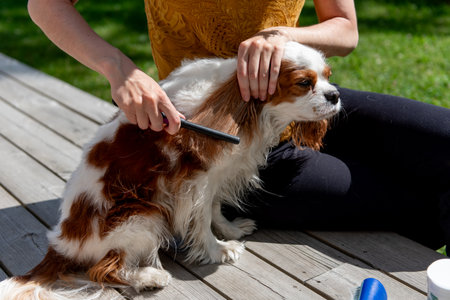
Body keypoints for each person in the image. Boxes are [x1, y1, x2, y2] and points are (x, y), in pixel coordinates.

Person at [27, 0, 450, 251]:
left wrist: (282, 35)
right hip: (220, 149)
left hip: (304, 98)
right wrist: (117, 67)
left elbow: (346, 29)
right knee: (422, 203)